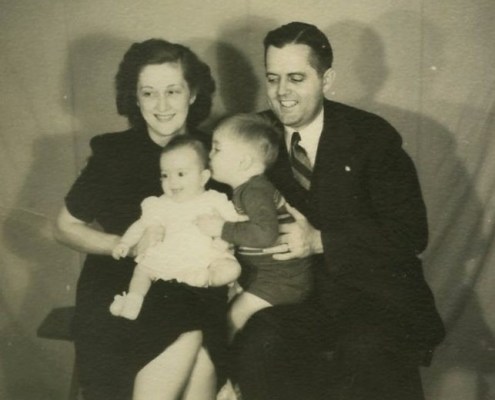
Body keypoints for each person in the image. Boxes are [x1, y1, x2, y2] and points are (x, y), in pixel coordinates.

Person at [230, 22, 445, 400]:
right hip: (293, 299)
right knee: (260, 340)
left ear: (327, 80)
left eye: (296, 78)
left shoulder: (372, 137)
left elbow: (411, 233)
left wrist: (320, 240)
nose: (282, 92)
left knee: (366, 350)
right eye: (273, 78)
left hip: (370, 296)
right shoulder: (252, 136)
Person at [54, 39, 228, 400]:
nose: (162, 105)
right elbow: (63, 227)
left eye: (173, 91)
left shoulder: (216, 152)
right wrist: (126, 246)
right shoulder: (113, 153)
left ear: (193, 93)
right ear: (135, 98)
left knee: (199, 341)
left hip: (196, 285)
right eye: (149, 93)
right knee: (191, 340)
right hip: (123, 287)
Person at [196, 113, 313, 341]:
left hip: (283, 281)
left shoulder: (255, 192)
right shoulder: (246, 189)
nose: (209, 155)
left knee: (233, 318)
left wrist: (222, 229)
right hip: (265, 276)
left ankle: (226, 363)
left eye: (216, 149)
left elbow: (265, 234)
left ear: (243, 162)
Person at [109, 135, 241, 320]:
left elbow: (237, 222)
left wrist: (223, 233)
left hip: (204, 259)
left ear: (203, 177)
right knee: (142, 270)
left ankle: (207, 280)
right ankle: (133, 300)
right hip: (167, 255)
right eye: (165, 175)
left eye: (180, 174)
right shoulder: (159, 204)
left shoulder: (214, 200)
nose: (172, 181)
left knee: (231, 269)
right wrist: (125, 243)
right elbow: (140, 225)